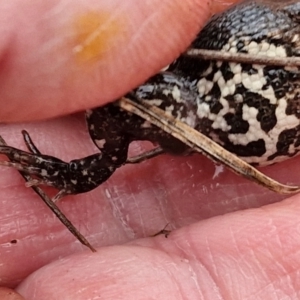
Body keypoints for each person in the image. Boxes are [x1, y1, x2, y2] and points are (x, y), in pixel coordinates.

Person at [2, 0, 300, 299]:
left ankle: (79, 170)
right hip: (204, 104)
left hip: (209, 110)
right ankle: (79, 169)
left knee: (128, 99)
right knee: (127, 97)